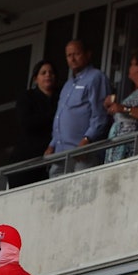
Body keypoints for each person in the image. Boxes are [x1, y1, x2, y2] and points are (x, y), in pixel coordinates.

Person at [46, 40, 111, 175]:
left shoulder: (95, 77)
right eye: (69, 55)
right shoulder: (67, 85)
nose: (73, 59)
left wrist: (87, 140)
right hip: (60, 153)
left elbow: (100, 115)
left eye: (77, 54)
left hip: (83, 153)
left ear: (88, 55)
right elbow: (61, 116)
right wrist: (52, 145)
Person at [11, 59, 60, 188]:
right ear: (35, 79)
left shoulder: (61, 97)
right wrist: (55, 116)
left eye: (51, 72)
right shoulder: (27, 97)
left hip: (52, 158)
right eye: (43, 73)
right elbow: (27, 123)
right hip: (26, 160)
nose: (48, 75)